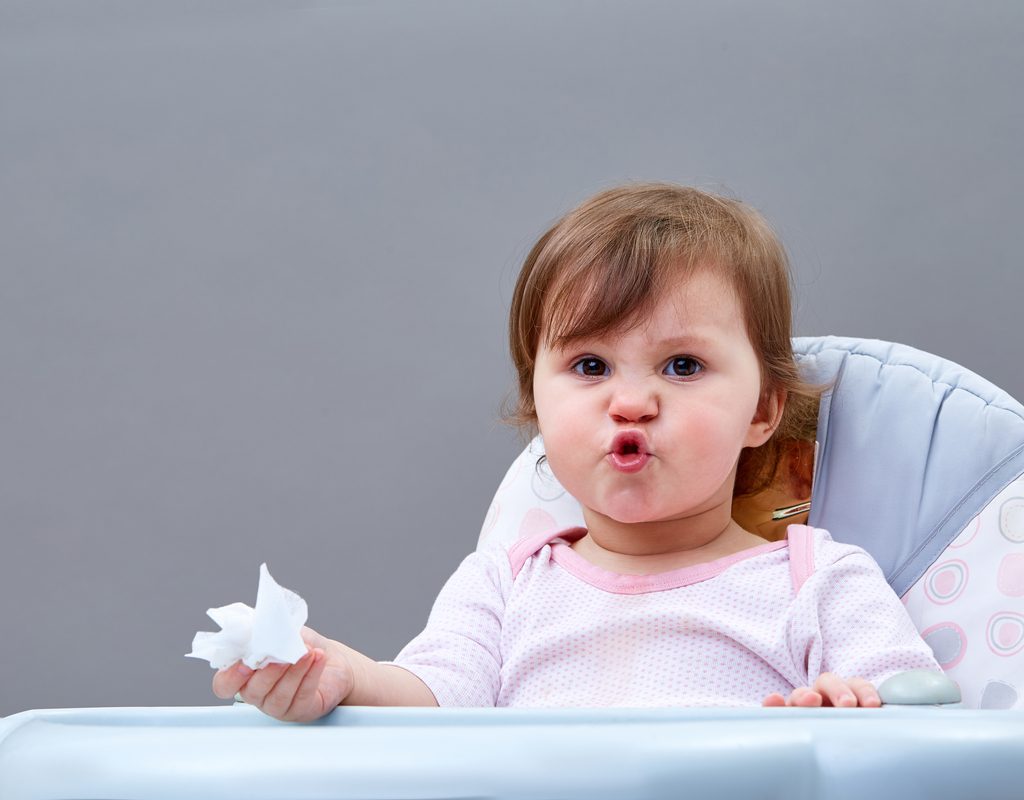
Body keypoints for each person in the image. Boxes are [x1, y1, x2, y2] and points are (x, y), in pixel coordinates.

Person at [212, 183, 942, 720]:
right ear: (538, 405)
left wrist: (854, 711)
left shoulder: (818, 582)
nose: (631, 401)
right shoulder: (505, 586)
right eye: (590, 366)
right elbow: (432, 701)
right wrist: (339, 674)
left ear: (763, 411)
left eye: (682, 366)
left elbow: (919, 706)